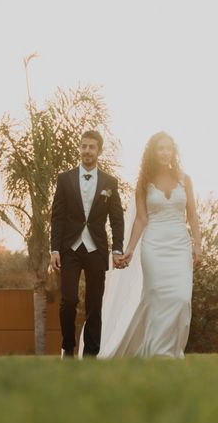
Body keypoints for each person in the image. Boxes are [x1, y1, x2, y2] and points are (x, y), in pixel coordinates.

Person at [98, 131, 202, 358]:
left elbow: (192, 215)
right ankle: (157, 353)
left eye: (168, 148)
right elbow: (141, 219)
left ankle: (170, 350)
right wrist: (130, 249)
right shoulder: (144, 183)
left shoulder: (186, 180)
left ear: (174, 152)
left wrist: (197, 244)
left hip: (180, 245)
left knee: (181, 299)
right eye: (160, 148)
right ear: (153, 153)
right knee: (156, 297)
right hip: (153, 245)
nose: (165, 152)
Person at [50, 130, 125, 358]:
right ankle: (68, 347)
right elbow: (57, 216)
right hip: (69, 249)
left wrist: (117, 248)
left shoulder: (109, 182)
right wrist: (54, 249)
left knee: (94, 305)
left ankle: (92, 353)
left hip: (97, 250)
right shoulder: (65, 179)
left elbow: (117, 218)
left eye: (92, 147)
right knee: (69, 300)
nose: (87, 151)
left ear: (98, 151)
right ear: (79, 148)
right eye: (84, 146)